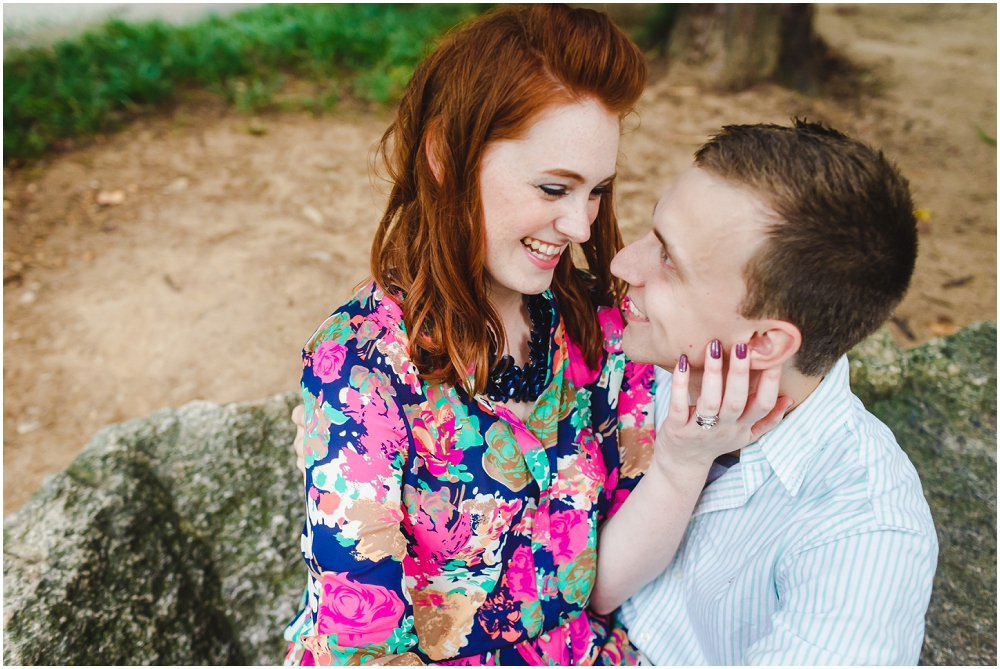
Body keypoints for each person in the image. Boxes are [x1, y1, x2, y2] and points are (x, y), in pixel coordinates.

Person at [282, 5, 784, 665]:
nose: (580, 225)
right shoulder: (362, 368)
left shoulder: (601, 328)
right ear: (445, 156)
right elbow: (359, 644)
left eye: (597, 191)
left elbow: (598, 590)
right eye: (555, 187)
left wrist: (684, 459)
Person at [600, 121, 939, 665]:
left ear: (762, 342)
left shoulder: (862, 535)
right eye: (653, 233)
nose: (622, 265)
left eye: (668, 259)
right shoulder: (639, 353)